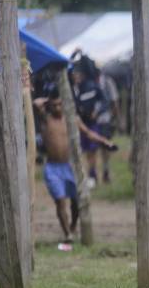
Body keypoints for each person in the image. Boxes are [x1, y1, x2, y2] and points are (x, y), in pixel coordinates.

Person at [33, 87, 116, 250]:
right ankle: (67, 234)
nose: (57, 108)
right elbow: (36, 104)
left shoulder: (72, 120)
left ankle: (73, 226)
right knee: (60, 200)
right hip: (53, 167)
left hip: (70, 166)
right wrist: (48, 100)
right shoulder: (45, 119)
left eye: (60, 105)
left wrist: (105, 142)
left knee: (76, 201)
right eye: (54, 105)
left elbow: (89, 133)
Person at [71, 60, 106, 188]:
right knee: (84, 152)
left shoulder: (92, 86)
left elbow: (103, 101)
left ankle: (92, 175)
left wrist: (96, 112)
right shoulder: (74, 89)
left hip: (91, 124)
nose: (76, 77)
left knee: (92, 151)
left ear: (83, 74)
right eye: (74, 75)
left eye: (78, 74)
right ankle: (87, 176)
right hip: (80, 125)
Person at [96, 71, 120, 184]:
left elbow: (114, 101)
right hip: (93, 120)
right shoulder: (91, 81)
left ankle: (105, 170)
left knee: (105, 147)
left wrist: (114, 118)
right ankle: (94, 173)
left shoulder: (107, 81)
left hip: (105, 119)